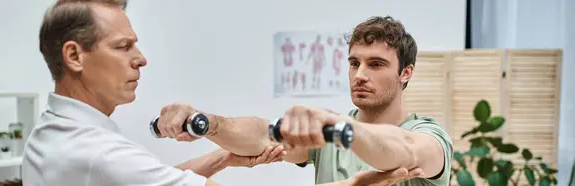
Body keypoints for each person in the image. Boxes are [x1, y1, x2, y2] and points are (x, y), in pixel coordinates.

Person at [156, 16, 453, 185]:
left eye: (376, 64)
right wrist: (207, 123)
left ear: (406, 72)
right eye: (354, 63)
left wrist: (343, 128)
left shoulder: (427, 135)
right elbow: (261, 134)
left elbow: (405, 150)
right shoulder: (327, 136)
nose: (360, 75)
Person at [21, 0, 285, 186]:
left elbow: (140, 179)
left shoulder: (48, 131)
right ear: (74, 56)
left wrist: (223, 157)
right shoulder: (100, 153)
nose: (141, 59)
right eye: (123, 46)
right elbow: (124, 171)